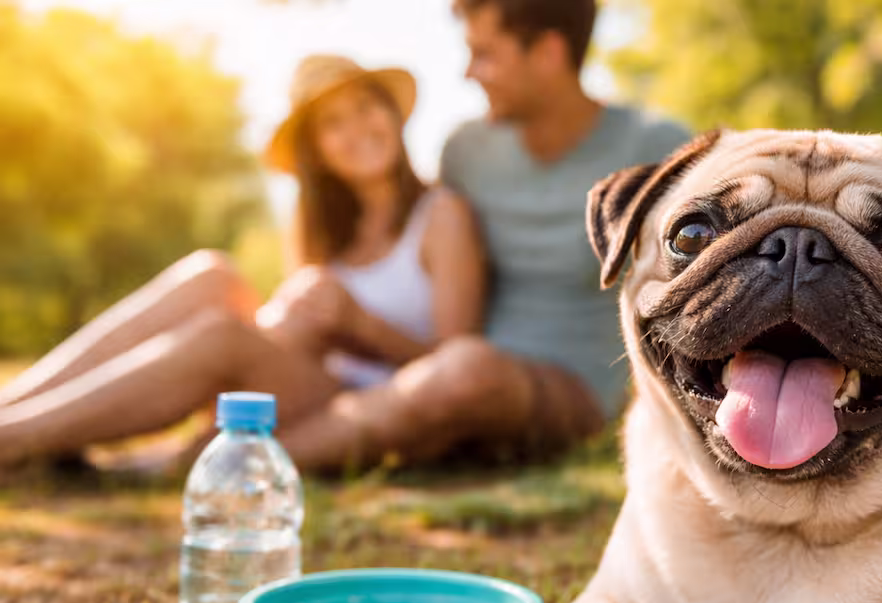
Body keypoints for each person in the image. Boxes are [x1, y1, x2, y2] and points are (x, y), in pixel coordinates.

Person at [260, 0, 692, 468]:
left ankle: (258, 459)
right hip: (455, 376)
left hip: (572, 389)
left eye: (484, 54)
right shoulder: (467, 153)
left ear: (547, 53)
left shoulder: (655, 148)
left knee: (468, 370)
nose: (468, 73)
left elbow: (699, 285)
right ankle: (215, 443)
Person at [0, 55, 485, 471]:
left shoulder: (441, 216)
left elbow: (456, 369)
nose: (357, 129)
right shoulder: (316, 222)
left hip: (367, 400)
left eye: (365, 107)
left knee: (224, 336)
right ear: (316, 150)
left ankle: (14, 441)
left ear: (390, 111)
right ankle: (11, 410)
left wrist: (360, 324)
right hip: (305, 377)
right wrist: (301, 319)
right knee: (211, 275)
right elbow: (306, 336)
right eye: (333, 123)